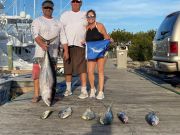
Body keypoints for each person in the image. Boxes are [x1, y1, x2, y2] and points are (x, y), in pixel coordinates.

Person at [31, 0, 67, 103]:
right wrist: (42, 45)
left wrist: (66, 50)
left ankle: (51, 94)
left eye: (50, 8)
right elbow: (35, 35)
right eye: (46, 8)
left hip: (53, 53)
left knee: (52, 76)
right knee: (37, 75)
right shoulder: (37, 21)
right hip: (39, 53)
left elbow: (63, 37)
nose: (48, 9)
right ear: (42, 9)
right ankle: (36, 95)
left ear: (52, 9)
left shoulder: (58, 22)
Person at [60, 0, 88, 99]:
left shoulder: (85, 14)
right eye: (74, 1)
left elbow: (91, 27)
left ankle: (84, 90)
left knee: (82, 68)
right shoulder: (64, 15)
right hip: (67, 45)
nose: (75, 3)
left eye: (78, 1)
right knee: (68, 68)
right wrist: (65, 49)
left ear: (81, 3)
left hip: (81, 45)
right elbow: (62, 31)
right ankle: (68, 89)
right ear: (71, 3)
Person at [86, 9, 111, 100]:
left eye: (92, 16)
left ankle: (100, 92)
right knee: (90, 71)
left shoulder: (100, 26)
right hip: (91, 53)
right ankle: (92, 89)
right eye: (88, 16)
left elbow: (106, 37)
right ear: (87, 18)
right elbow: (86, 41)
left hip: (101, 53)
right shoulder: (86, 28)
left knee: (100, 71)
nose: (90, 18)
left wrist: (110, 40)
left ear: (95, 17)